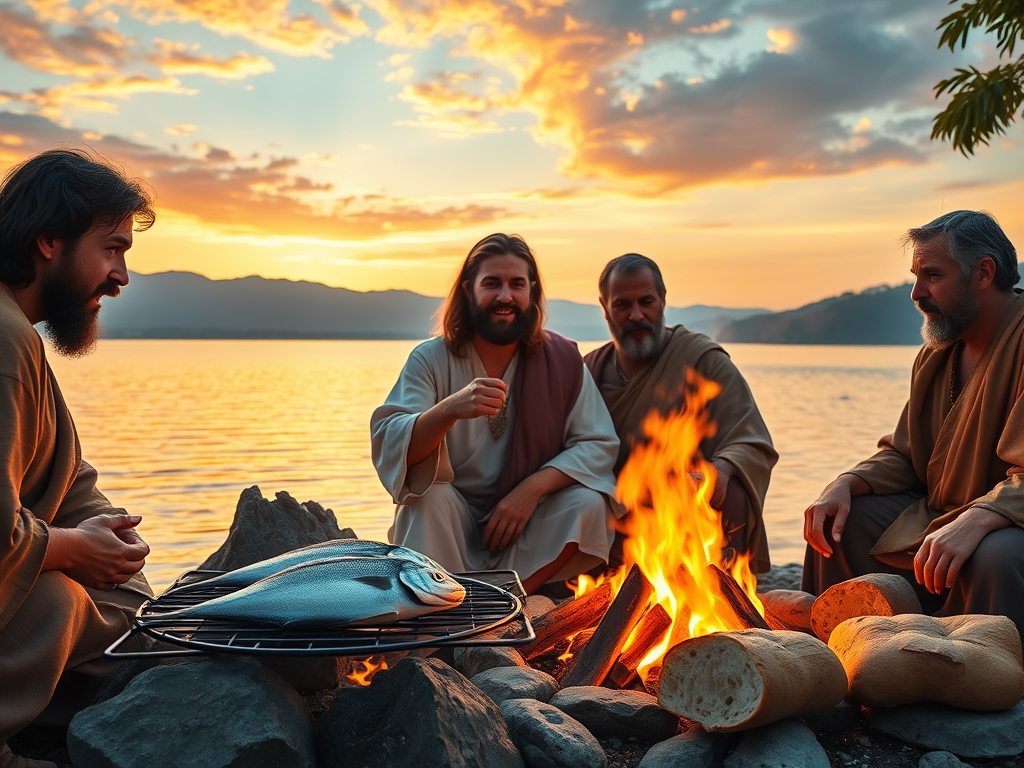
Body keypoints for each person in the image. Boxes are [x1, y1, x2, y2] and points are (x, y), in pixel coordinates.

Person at [0, 149, 155, 768]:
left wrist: (114, 546)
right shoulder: (7, 346)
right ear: (47, 241)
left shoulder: (17, 333)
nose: (120, 276)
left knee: (133, 617)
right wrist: (69, 549)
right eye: (112, 249)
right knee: (60, 603)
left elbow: (65, 479)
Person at [803, 210, 1024, 636]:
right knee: (837, 525)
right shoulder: (937, 354)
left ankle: (983, 672)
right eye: (915, 276)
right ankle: (836, 661)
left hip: (1009, 525)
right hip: (945, 517)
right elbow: (907, 455)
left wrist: (980, 517)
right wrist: (845, 483)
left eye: (933, 276)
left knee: (995, 554)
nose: (916, 293)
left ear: (983, 273)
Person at [371, 233, 620, 594]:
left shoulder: (562, 361)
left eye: (517, 284)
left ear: (531, 292)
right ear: (469, 290)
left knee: (588, 503)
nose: (505, 296)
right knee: (425, 498)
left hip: (525, 525)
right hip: (449, 525)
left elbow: (597, 444)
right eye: (492, 284)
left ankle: (510, 600)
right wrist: (449, 410)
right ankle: (435, 604)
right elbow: (394, 441)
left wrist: (531, 490)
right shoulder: (431, 359)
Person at [583, 253, 777, 574]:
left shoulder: (702, 360)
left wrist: (719, 471)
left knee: (734, 492)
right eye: (622, 305)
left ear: (662, 301)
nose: (636, 315)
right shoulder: (589, 370)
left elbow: (751, 441)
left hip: (686, 509)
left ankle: (717, 589)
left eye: (646, 301)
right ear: (605, 308)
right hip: (613, 514)